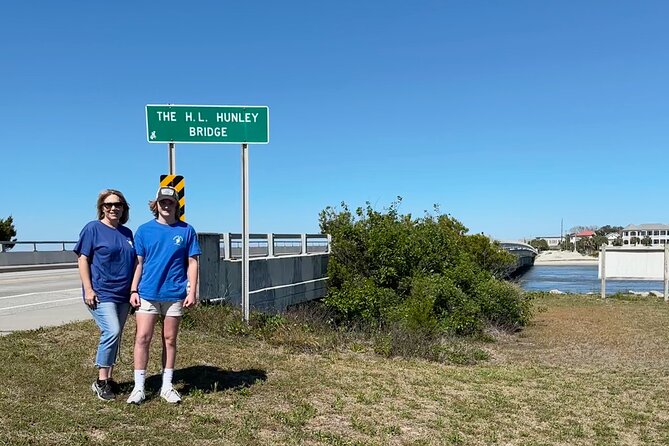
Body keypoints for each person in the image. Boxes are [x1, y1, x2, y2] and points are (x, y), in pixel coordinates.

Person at [126, 186, 201, 404]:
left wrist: (192, 290)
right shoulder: (143, 231)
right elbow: (138, 263)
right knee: (142, 337)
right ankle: (139, 387)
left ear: (177, 205)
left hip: (175, 292)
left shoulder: (187, 230)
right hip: (148, 292)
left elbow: (193, 262)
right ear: (156, 205)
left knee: (169, 339)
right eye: (163, 202)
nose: (166, 206)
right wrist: (133, 289)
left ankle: (167, 386)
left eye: (171, 202)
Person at [74, 189, 136, 401]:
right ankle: (100, 381)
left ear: (123, 209)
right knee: (111, 331)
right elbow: (82, 259)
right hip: (101, 292)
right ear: (101, 208)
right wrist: (88, 289)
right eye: (108, 205)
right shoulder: (93, 229)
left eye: (117, 205)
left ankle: (109, 379)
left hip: (123, 294)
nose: (113, 208)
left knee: (116, 335)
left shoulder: (127, 233)